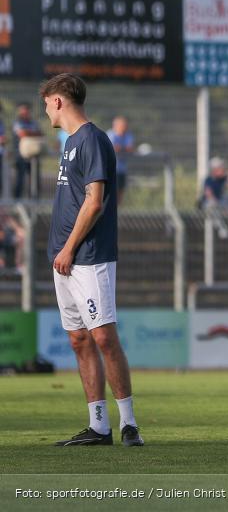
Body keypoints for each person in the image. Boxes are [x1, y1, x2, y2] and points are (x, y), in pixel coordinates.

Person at [41, 73, 143, 447]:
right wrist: (59, 251)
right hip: (65, 258)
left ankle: (129, 424)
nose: (45, 110)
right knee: (79, 340)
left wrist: (68, 248)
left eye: (46, 102)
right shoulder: (69, 144)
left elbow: (94, 202)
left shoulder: (92, 139)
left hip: (88, 256)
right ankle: (99, 426)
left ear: (57, 101)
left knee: (103, 336)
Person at [13, 102, 43, 199]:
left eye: (26, 110)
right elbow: (22, 133)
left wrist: (28, 133)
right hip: (21, 156)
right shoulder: (17, 122)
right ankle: (17, 203)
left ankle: (34, 203)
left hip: (33, 156)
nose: (25, 113)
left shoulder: (33, 122)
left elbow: (40, 133)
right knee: (20, 180)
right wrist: (33, 133)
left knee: (34, 181)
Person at [106, 116, 135, 205]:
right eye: (122, 125)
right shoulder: (110, 134)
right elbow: (113, 148)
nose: (124, 127)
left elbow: (130, 148)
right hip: (111, 170)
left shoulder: (128, 135)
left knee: (120, 192)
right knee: (110, 193)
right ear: (116, 125)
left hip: (122, 170)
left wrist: (120, 148)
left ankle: (117, 211)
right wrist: (123, 149)